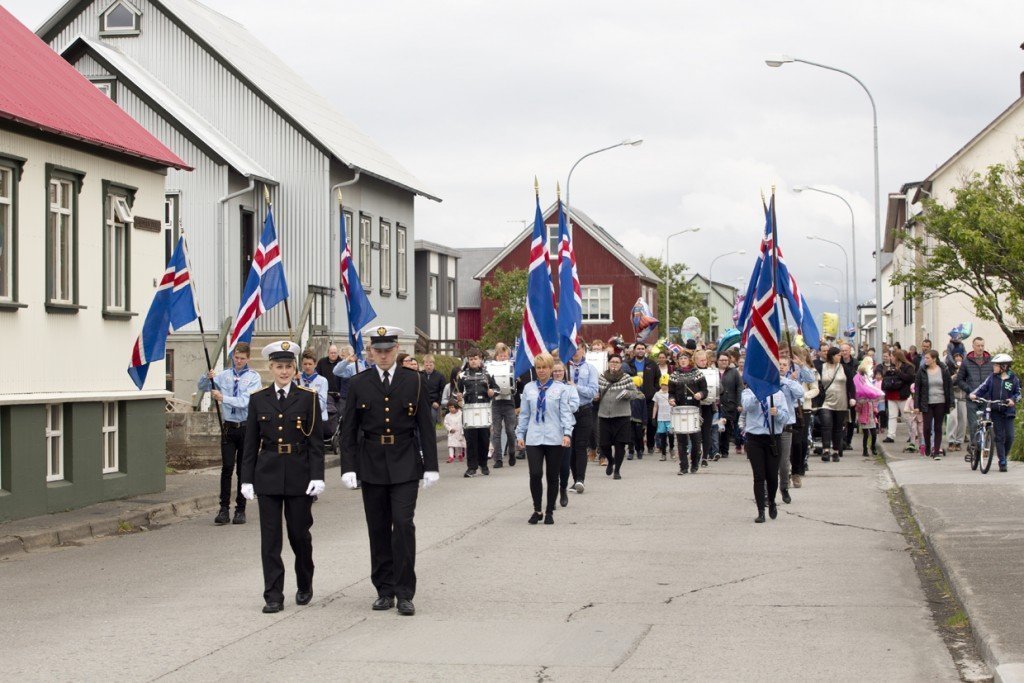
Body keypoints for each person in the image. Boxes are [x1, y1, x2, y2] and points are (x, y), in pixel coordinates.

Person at [340, 325, 439, 617]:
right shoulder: (360, 383)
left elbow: (425, 426)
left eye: (388, 350)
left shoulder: (415, 381)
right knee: (378, 528)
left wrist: (431, 466)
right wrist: (349, 466)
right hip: (371, 463)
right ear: (370, 352)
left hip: (406, 461)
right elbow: (349, 429)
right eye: (377, 351)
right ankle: (384, 589)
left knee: (403, 524)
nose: (382, 356)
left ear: (396, 350)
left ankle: (405, 591)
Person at [239, 341, 324, 613]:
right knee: (271, 539)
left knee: (299, 534)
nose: (284, 372)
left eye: (289, 366)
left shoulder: (308, 398)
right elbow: (250, 444)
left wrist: (317, 475)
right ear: (271, 368)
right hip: (269, 473)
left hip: (299, 473)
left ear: (295, 369)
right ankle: (273, 594)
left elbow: (316, 443)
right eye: (279, 366)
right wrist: (246, 479)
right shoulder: (258, 399)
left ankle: (304, 581)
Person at [198, 342, 262, 526]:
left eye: (242, 358)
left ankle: (240, 509)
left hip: (246, 428)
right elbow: (203, 386)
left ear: (248, 358)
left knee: (243, 469)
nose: (239, 361)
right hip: (228, 427)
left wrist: (223, 398)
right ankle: (223, 508)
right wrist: (207, 377)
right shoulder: (225, 375)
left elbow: (245, 401)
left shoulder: (253, 378)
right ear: (233, 356)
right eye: (236, 357)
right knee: (227, 468)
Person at [517, 354, 576, 524]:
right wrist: (520, 434)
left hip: (554, 437)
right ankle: (537, 509)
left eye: (544, 367)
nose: (541, 371)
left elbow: (565, 413)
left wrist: (567, 434)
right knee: (535, 474)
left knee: (552, 476)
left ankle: (549, 510)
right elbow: (525, 414)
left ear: (551, 369)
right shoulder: (529, 388)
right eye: (538, 368)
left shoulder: (560, 389)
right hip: (534, 438)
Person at [741, 385, 790, 523]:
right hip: (754, 439)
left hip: (773, 438)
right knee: (758, 476)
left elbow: (786, 417)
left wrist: (778, 413)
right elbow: (746, 406)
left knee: (772, 476)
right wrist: (758, 396)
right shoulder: (748, 392)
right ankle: (761, 510)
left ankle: (772, 501)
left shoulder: (778, 394)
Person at [970, 353, 1021, 472]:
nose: (994, 367)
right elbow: (982, 388)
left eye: (996, 365)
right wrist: (974, 394)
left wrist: (1012, 400)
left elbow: (1018, 393)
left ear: (1004, 366)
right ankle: (1002, 461)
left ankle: (1003, 455)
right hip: (995, 411)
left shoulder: (1013, 378)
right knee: (999, 436)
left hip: (1008, 411)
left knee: (1010, 437)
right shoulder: (992, 377)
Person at [597, 355, 644, 479]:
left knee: (620, 445)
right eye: (612, 361)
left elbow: (635, 393)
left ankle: (617, 470)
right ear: (608, 363)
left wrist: (628, 393)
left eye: (617, 362)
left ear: (621, 364)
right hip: (604, 415)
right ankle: (610, 460)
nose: (614, 364)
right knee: (604, 444)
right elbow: (596, 392)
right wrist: (595, 396)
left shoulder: (626, 377)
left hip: (622, 415)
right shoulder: (601, 377)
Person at [455, 348, 497, 477]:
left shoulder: (488, 374)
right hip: (468, 410)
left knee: (484, 439)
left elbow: (496, 389)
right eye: (471, 359)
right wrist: (458, 396)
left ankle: (483, 465)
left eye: (476, 358)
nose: (473, 361)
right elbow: (456, 392)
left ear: (480, 359)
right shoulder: (462, 375)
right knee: (471, 440)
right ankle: (471, 467)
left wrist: (492, 392)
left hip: (484, 410)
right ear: (468, 360)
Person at [668, 351, 708, 474]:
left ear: (689, 359)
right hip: (679, 410)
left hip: (694, 410)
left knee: (696, 442)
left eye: (685, 358)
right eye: (681, 358)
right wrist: (671, 399)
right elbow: (671, 392)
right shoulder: (674, 375)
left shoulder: (698, 374)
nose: (683, 360)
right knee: (681, 441)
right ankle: (683, 467)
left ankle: (695, 463)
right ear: (678, 361)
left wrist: (700, 394)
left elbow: (705, 390)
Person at [567, 343, 598, 494]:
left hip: (584, 410)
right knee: (570, 447)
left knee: (580, 445)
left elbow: (593, 392)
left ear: (584, 350)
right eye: (572, 349)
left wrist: (575, 387)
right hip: (568, 412)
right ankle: (574, 479)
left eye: (578, 348)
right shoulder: (565, 368)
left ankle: (581, 479)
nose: (575, 352)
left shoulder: (590, 369)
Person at [817, 347, 855, 462]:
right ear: (832, 356)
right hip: (826, 402)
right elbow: (816, 383)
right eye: (838, 355)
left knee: (838, 428)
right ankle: (826, 450)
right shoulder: (821, 368)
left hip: (841, 401)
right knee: (826, 425)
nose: (840, 356)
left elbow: (851, 384)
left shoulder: (844, 368)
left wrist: (852, 397)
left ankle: (836, 451)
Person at [551, 360, 580, 506]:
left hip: (566, 429)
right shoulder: (546, 387)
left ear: (564, 372)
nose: (557, 373)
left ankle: (563, 488)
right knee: (552, 465)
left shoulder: (569, 388)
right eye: (555, 371)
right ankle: (553, 494)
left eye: (560, 371)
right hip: (550, 430)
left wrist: (561, 406)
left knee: (563, 465)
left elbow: (575, 405)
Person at [777, 356, 806, 504]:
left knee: (784, 461)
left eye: (784, 365)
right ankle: (766, 490)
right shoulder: (769, 381)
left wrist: (786, 380)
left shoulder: (789, 382)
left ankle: (784, 487)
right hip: (769, 426)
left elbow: (800, 393)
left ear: (788, 367)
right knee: (769, 460)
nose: (781, 367)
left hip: (785, 426)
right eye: (779, 364)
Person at [956, 337, 993, 450]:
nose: (980, 348)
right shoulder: (966, 362)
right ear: (973, 346)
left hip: (986, 399)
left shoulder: (991, 361)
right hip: (972, 398)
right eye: (978, 345)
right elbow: (960, 380)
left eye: (982, 345)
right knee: (973, 424)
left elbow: (995, 378)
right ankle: (975, 447)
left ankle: (985, 448)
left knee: (986, 424)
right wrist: (969, 390)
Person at [915, 350, 953, 458]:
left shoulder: (943, 370)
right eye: (925, 358)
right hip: (927, 402)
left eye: (927, 358)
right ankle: (927, 446)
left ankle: (936, 451)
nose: (925, 360)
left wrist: (951, 403)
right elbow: (917, 389)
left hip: (940, 401)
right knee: (926, 427)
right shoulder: (922, 371)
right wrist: (916, 406)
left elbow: (949, 386)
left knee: (938, 427)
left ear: (934, 359)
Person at [625, 341, 660, 454]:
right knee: (635, 423)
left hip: (649, 399)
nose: (640, 350)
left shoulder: (652, 364)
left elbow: (657, 380)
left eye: (642, 348)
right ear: (634, 350)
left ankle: (650, 445)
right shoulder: (628, 364)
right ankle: (635, 446)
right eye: (638, 348)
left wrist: (654, 391)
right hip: (634, 399)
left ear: (645, 350)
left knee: (650, 423)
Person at [488, 343, 519, 468]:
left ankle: (511, 452)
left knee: (510, 431)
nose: (502, 358)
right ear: (496, 356)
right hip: (496, 402)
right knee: (496, 432)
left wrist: (517, 380)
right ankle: (498, 459)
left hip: (508, 402)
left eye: (505, 356)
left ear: (508, 356)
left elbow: (516, 387)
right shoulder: (491, 368)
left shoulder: (512, 367)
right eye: (500, 355)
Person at [881, 349, 915, 444]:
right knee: (892, 415)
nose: (891, 358)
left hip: (902, 394)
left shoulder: (908, 367)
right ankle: (890, 435)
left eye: (892, 356)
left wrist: (898, 372)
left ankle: (913, 433)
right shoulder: (891, 367)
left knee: (906, 416)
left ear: (897, 357)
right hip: (891, 394)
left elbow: (910, 378)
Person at [854, 358, 885, 457]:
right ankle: (865, 450)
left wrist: (875, 404)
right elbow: (858, 406)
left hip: (872, 415)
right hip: (864, 416)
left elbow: (875, 399)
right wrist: (861, 402)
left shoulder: (870, 382)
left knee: (874, 434)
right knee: (866, 434)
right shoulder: (860, 391)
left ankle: (873, 447)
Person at [717, 352, 743, 458]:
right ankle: (715, 449)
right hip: (716, 403)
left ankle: (724, 450)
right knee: (715, 427)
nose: (723, 362)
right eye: (721, 360)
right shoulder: (713, 372)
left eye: (725, 360)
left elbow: (739, 388)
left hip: (729, 403)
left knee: (726, 428)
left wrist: (739, 403)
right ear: (717, 361)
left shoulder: (734, 372)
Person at [299, 349, 330, 429]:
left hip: (318, 419)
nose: (307, 366)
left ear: (315, 364)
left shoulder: (322, 381)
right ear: (302, 364)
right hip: (301, 419)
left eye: (310, 364)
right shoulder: (297, 379)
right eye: (305, 364)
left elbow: (322, 405)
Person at [421, 355, 447, 424]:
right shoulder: (420, 375)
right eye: (426, 365)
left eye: (430, 365)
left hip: (434, 404)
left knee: (431, 423)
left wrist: (438, 402)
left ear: (434, 365)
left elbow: (443, 391)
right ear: (424, 365)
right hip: (422, 404)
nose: (428, 367)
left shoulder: (440, 376)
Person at [652, 375, 672, 460]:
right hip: (661, 418)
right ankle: (663, 453)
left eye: (666, 384)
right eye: (663, 384)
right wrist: (653, 417)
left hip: (670, 418)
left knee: (671, 435)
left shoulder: (671, 394)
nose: (664, 386)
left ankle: (671, 449)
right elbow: (655, 406)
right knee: (662, 436)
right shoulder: (657, 394)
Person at [628, 375, 647, 460]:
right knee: (630, 436)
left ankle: (639, 450)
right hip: (630, 419)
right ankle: (631, 451)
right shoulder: (629, 395)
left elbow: (644, 410)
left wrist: (644, 422)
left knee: (639, 436)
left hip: (639, 419)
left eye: (635, 385)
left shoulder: (641, 396)